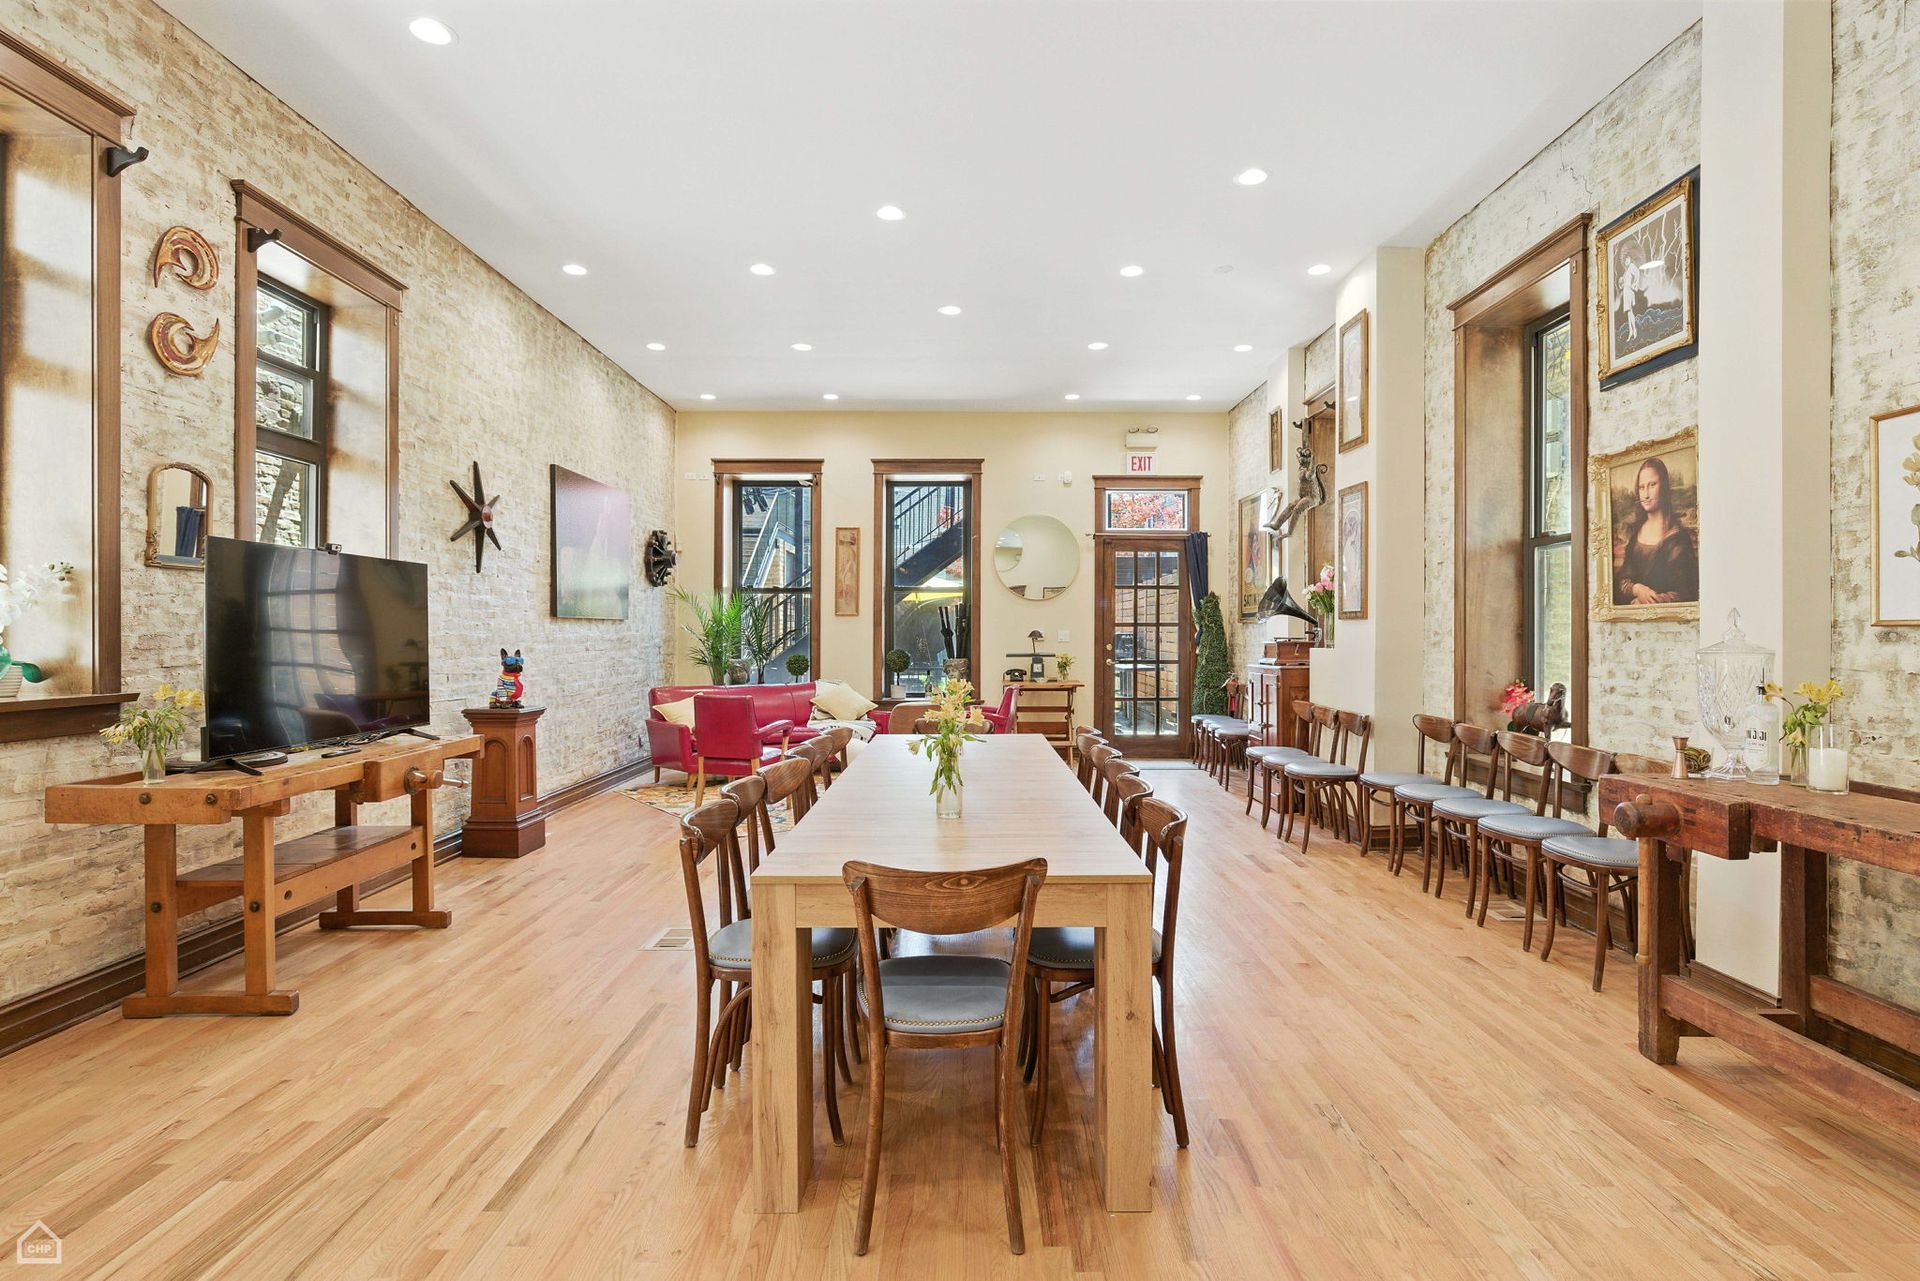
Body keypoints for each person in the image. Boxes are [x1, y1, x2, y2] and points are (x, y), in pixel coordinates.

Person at [1615, 456, 1697, 605]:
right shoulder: (1635, 534)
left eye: (1652, 485)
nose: (1645, 494)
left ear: (1664, 487)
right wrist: (1637, 589)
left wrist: (1649, 601)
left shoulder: (1678, 537)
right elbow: (1622, 582)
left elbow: (1687, 593)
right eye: (1641, 487)